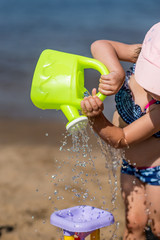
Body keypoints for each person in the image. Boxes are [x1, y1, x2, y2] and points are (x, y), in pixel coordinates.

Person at [81, 22, 160, 239]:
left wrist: (96, 118)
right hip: (130, 166)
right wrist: (115, 72)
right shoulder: (142, 54)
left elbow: (121, 138)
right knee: (133, 225)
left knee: (158, 228)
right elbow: (100, 44)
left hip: (157, 171)